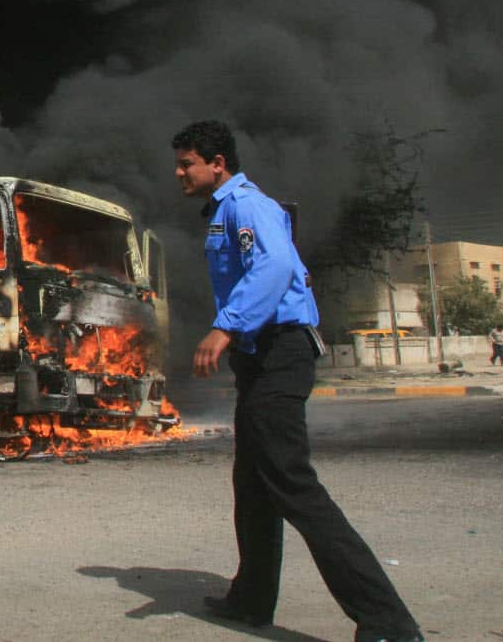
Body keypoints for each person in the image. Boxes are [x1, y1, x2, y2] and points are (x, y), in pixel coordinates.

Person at [172, 120, 423, 642]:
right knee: (253, 483)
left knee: (292, 485)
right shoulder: (225, 210)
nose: (179, 173)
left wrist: (224, 327)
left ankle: (388, 623)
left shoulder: (247, 205)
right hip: (260, 359)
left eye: (186, 163)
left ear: (217, 162)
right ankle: (251, 600)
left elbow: (276, 266)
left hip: (280, 353)